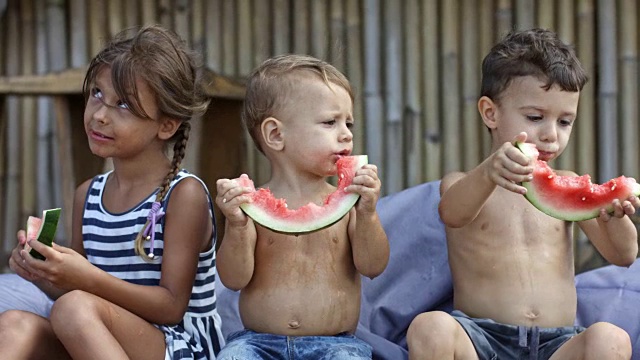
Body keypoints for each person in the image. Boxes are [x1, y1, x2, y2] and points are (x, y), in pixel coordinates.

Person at [407, 28, 639, 360]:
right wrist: (489, 173)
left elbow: (625, 255)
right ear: (490, 113)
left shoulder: (569, 181)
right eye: (535, 117)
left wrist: (615, 216)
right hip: (481, 340)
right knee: (429, 328)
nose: (550, 135)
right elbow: (452, 214)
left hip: (557, 345)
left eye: (565, 121)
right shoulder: (463, 183)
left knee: (611, 338)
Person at [0, 25, 224, 359]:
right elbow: (76, 289)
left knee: (74, 309)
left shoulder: (184, 194)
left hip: (180, 346)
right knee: (14, 324)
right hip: (106, 337)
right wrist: (43, 273)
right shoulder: (87, 194)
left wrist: (86, 278)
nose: (100, 115)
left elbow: (171, 308)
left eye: (124, 105)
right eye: (97, 94)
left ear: (166, 125)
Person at [214, 54, 390, 359]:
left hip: (336, 345)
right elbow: (233, 279)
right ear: (276, 134)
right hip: (258, 343)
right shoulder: (250, 209)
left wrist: (368, 214)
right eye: (329, 122)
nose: (347, 133)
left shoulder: (349, 205)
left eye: (348, 122)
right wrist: (238, 226)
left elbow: (373, 267)